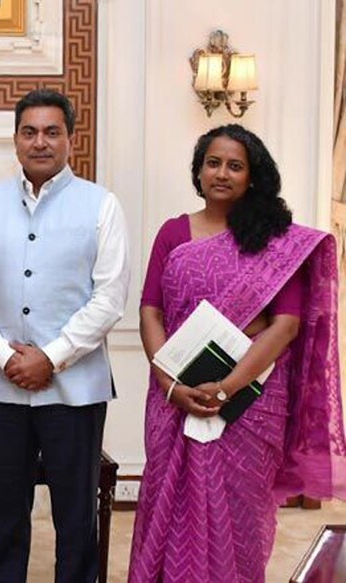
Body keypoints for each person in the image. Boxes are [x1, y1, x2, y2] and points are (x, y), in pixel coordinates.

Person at [129, 124, 346, 582]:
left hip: (251, 402)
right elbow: (150, 312)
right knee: (168, 513)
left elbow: (285, 325)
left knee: (241, 519)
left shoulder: (277, 241)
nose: (222, 173)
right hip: (175, 395)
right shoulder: (173, 233)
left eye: (235, 165)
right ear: (199, 171)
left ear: (253, 176)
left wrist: (227, 387)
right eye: (213, 163)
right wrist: (171, 385)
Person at [0, 88, 130, 582]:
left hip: (75, 391)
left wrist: (50, 358)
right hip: (0, 386)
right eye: (30, 132)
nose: (40, 142)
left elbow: (109, 299)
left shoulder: (102, 205)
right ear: (15, 140)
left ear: (69, 140)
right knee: (5, 518)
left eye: (52, 132)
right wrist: (2, 354)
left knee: (75, 519)